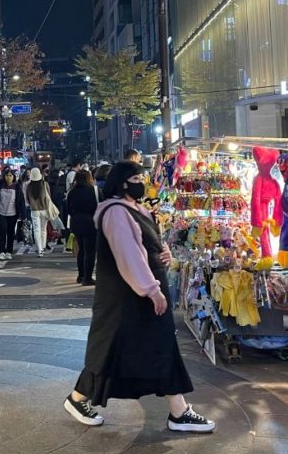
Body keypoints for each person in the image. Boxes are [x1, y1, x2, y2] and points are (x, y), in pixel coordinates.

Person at [64, 161, 215, 433]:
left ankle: (178, 410)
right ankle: (78, 398)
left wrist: (164, 253)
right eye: (136, 177)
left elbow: (148, 244)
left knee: (155, 345)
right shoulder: (115, 212)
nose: (142, 181)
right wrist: (151, 290)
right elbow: (128, 255)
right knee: (113, 348)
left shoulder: (136, 208)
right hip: (127, 298)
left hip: (138, 294)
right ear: (123, 182)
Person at [67, 170, 99, 285]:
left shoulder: (72, 192)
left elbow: (68, 209)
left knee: (81, 250)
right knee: (90, 251)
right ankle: (88, 277)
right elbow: (96, 207)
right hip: (90, 223)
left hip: (76, 222)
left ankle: (80, 276)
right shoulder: (92, 190)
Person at [0, 168, 25, 260]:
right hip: (1, 213)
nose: (8, 177)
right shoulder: (0, 186)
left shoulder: (17, 187)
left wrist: (23, 215)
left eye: (10, 175)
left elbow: (21, 202)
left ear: (13, 177)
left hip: (13, 214)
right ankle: (1, 251)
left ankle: (9, 251)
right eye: (7, 175)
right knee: (2, 231)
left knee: (10, 233)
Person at [26, 168, 55, 257]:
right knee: (43, 229)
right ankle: (42, 248)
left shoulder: (29, 186)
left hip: (34, 210)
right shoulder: (44, 184)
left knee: (36, 230)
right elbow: (49, 196)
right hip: (44, 209)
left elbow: (27, 199)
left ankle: (39, 250)